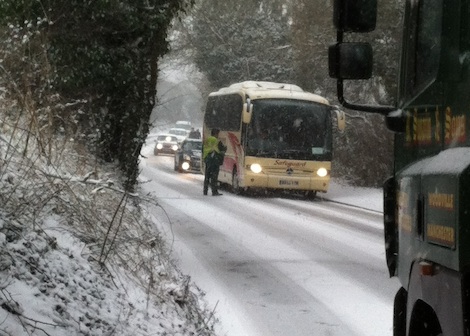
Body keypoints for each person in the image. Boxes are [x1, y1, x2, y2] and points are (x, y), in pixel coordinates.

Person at [203, 128, 226, 196]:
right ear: (216, 133)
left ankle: (205, 191)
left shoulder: (207, 140)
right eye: (218, 133)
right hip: (214, 160)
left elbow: (203, 148)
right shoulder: (217, 141)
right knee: (214, 177)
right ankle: (214, 191)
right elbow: (222, 149)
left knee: (207, 176)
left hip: (207, 159)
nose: (218, 135)